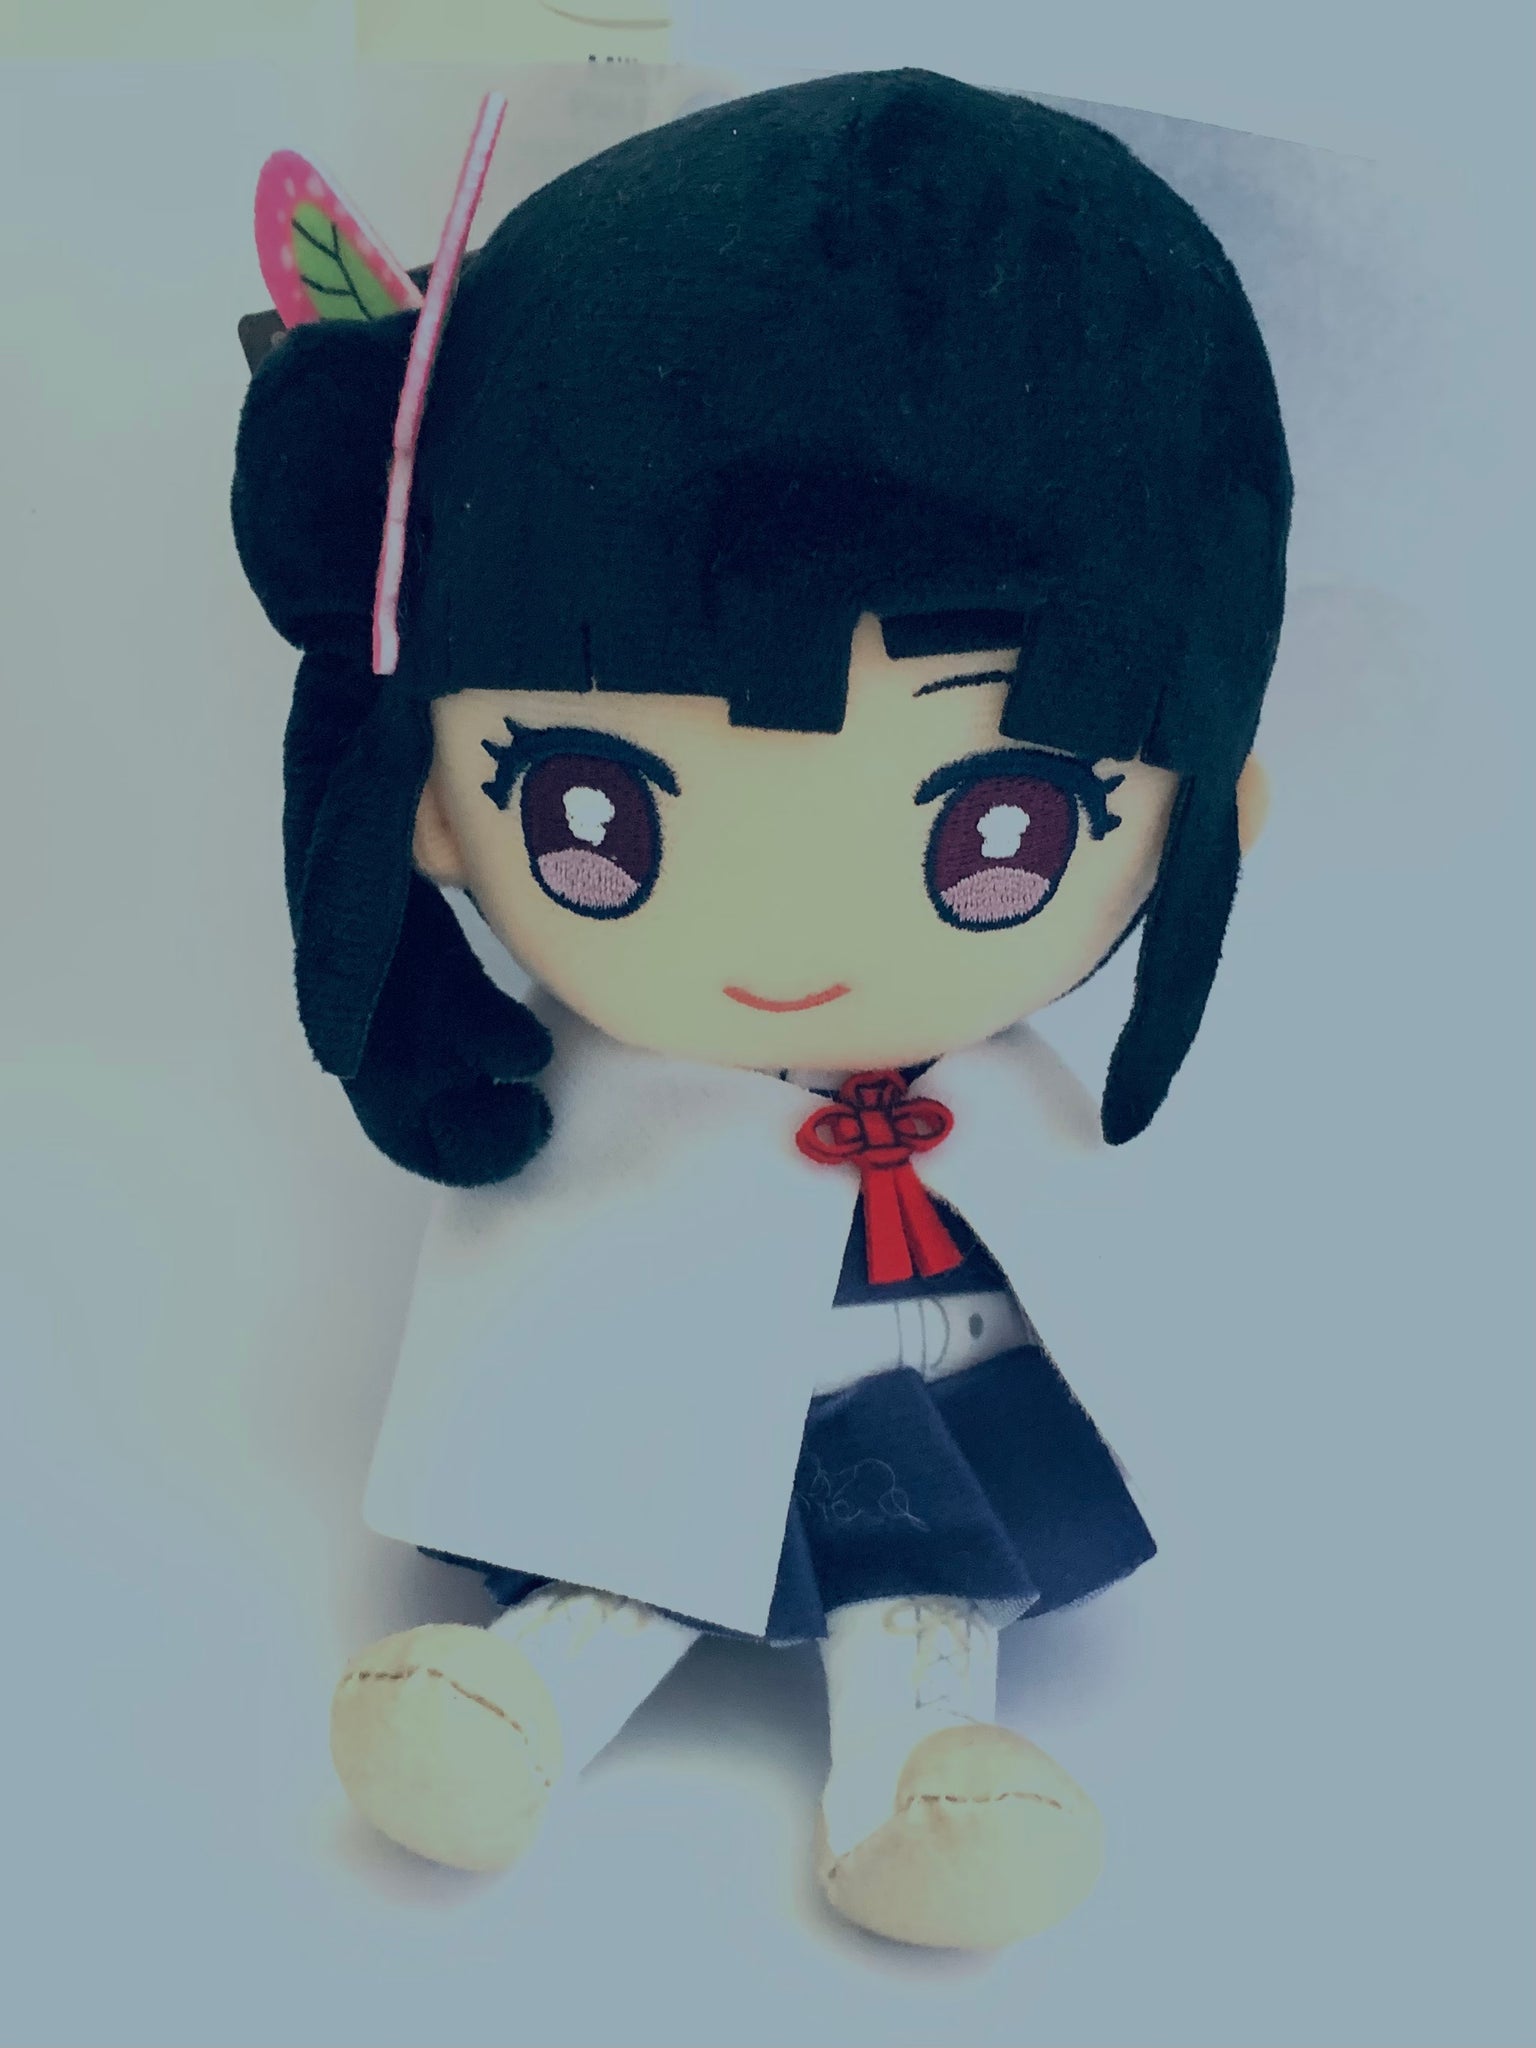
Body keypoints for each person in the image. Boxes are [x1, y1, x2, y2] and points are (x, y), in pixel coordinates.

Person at [232, 67, 1289, 1948]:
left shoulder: (1024, 1110)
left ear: (1214, 809)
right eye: (593, 816)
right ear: (435, 804)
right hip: (651, 1396)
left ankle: (916, 1779)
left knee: (924, 1589)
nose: (790, 945)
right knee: (622, 1518)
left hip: (940, 1395)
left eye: (1003, 829)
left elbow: (1141, 1288)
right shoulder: (601, 1100)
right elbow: (554, 1293)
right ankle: (522, 1698)